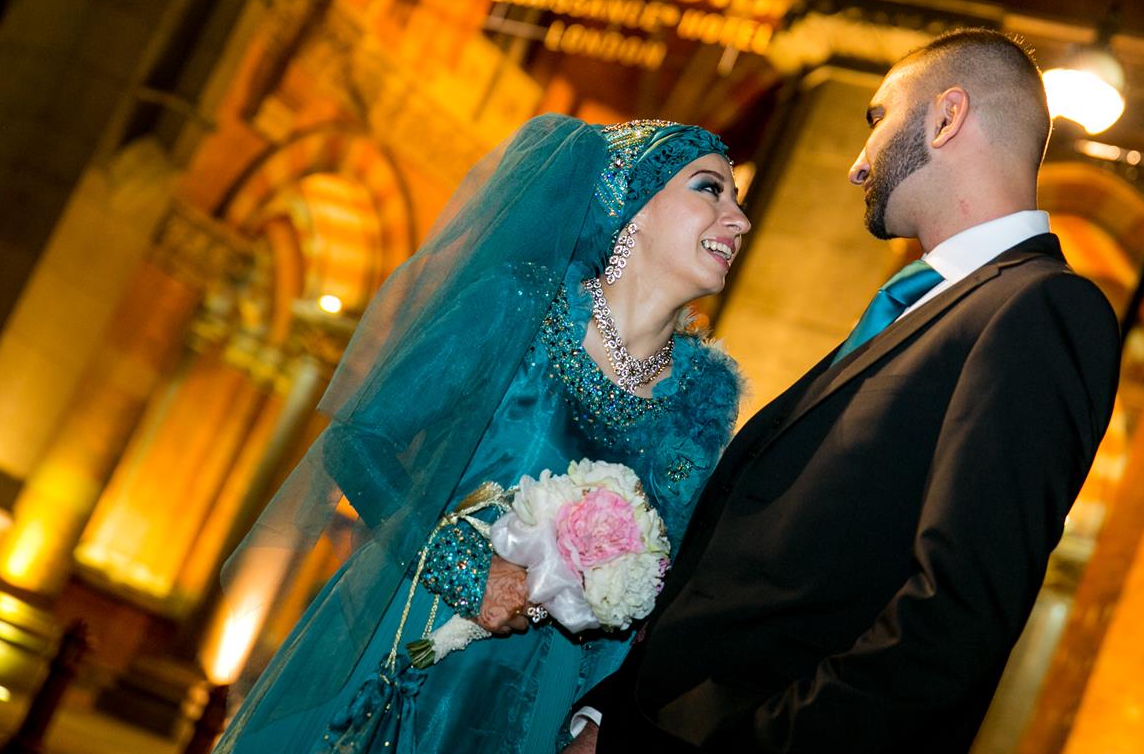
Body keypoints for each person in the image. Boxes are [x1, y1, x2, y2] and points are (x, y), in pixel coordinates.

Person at [571, 28, 1122, 752]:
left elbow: (951, 622)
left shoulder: (1039, 310)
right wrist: (613, 715)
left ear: (945, 117)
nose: (859, 166)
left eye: (877, 119)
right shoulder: (920, 304)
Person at [213, 115, 750, 754]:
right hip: (424, 650)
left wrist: (600, 720)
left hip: (551, 706)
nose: (739, 219)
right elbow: (359, 440)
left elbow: (672, 584)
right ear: (628, 200)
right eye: (710, 189)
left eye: (738, 200)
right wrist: (465, 567)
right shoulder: (517, 305)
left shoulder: (707, 396)